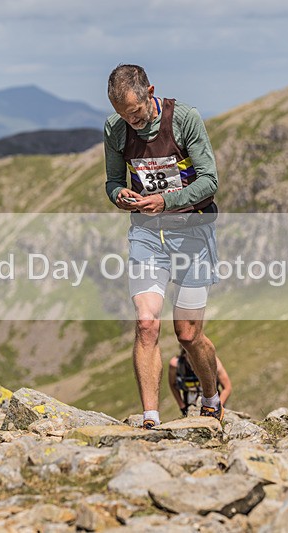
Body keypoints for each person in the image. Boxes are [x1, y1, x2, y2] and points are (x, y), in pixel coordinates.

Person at [104, 64, 222, 429]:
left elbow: (210, 180)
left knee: (187, 334)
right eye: (124, 115)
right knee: (145, 323)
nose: (131, 121)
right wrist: (119, 194)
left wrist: (165, 201)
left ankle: (211, 397)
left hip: (192, 232)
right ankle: (151, 418)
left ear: (150, 92)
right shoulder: (116, 129)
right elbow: (111, 181)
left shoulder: (185, 119)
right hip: (146, 234)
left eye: (136, 113)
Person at [168, 344, 232, 416]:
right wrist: (182, 407)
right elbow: (173, 385)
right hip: (190, 407)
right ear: (184, 354)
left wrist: (217, 407)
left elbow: (227, 387)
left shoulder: (213, 361)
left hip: (213, 406)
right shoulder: (176, 364)